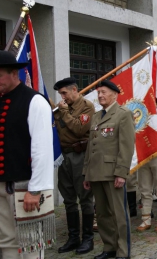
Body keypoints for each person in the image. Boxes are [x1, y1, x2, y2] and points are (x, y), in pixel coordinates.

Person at [0, 50, 54, 259]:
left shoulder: (35, 101)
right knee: (6, 241)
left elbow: (42, 149)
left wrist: (36, 189)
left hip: (25, 185)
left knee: (31, 242)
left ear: (14, 73)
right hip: (1, 183)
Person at [83, 80, 135, 259]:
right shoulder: (96, 116)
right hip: (96, 172)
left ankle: (123, 251)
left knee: (119, 214)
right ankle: (109, 247)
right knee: (103, 214)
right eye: (98, 93)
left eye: (104, 92)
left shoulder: (123, 114)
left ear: (115, 94)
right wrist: (86, 173)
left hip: (113, 173)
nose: (100, 96)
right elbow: (91, 146)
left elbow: (126, 147)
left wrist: (121, 172)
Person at [53, 77, 95, 255]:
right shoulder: (61, 108)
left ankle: (88, 238)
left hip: (80, 155)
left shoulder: (86, 106)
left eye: (64, 93)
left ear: (74, 90)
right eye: (60, 94)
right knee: (68, 198)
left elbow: (79, 129)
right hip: (63, 156)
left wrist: (63, 113)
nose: (62, 97)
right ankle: (73, 238)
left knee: (84, 197)